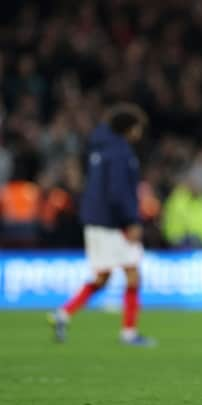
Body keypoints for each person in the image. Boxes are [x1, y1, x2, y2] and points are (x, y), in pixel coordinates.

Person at [48, 103, 154, 347]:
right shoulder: (121, 152)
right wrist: (131, 221)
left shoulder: (98, 148)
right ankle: (129, 333)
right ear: (129, 128)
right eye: (138, 128)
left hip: (95, 220)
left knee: (103, 276)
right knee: (132, 273)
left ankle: (63, 314)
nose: (140, 133)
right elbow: (119, 192)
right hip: (112, 223)